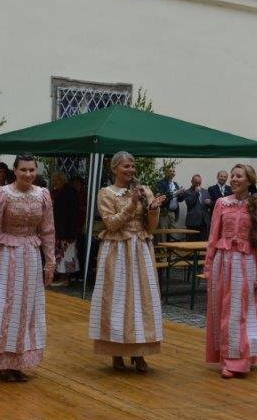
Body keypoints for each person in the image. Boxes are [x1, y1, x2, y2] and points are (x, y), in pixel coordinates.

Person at [0, 155, 55, 382]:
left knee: (26, 309)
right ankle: (4, 364)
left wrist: (50, 262)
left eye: (32, 170)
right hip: (6, 256)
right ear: (15, 171)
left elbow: (48, 230)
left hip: (31, 257)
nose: (28, 174)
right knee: (5, 307)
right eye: (23, 170)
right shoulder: (4, 193)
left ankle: (19, 362)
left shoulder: (43, 194)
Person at [89, 151, 166, 372]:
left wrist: (153, 210)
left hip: (140, 248)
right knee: (116, 300)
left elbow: (151, 227)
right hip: (117, 249)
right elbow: (111, 224)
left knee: (141, 301)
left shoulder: (144, 190)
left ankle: (139, 353)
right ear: (114, 169)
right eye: (126, 166)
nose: (130, 170)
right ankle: (116, 352)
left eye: (132, 166)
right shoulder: (106, 193)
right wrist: (131, 204)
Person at [204, 164, 257, 379]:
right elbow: (213, 236)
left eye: (238, 176)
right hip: (222, 262)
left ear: (249, 181)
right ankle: (227, 356)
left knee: (241, 311)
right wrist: (208, 265)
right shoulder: (222, 203)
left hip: (246, 263)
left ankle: (237, 360)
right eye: (232, 175)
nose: (233, 179)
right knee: (222, 310)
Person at [50, 172, 80, 285]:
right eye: (54, 180)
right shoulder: (57, 192)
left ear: (62, 180)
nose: (55, 182)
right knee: (61, 253)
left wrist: (71, 230)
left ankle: (65, 277)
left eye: (57, 180)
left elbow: (72, 213)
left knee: (68, 254)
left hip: (68, 230)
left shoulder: (69, 192)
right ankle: (61, 276)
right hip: (59, 229)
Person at [155, 165, 183, 237]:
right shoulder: (161, 183)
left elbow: (179, 200)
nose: (172, 172)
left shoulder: (175, 184)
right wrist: (175, 193)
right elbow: (161, 198)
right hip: (164, 213)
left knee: (173, 234)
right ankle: (163, 245)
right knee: (163, 234)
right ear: (166, 172)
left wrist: (181, 194)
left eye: (173, 171)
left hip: (173, 213)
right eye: (170, 171)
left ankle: (172, 245)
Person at [182, 174, 210, 240]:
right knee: (191, 242)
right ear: (192, 182)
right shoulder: (187, 192)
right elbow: (190, 203)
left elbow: (210, 204)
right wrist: (196, 193)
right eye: (196, 182)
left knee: (203, 242)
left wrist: (210, 202)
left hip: (204, 221)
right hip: (192, 222)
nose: (198, 184)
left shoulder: (205, 191)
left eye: (199, 183)